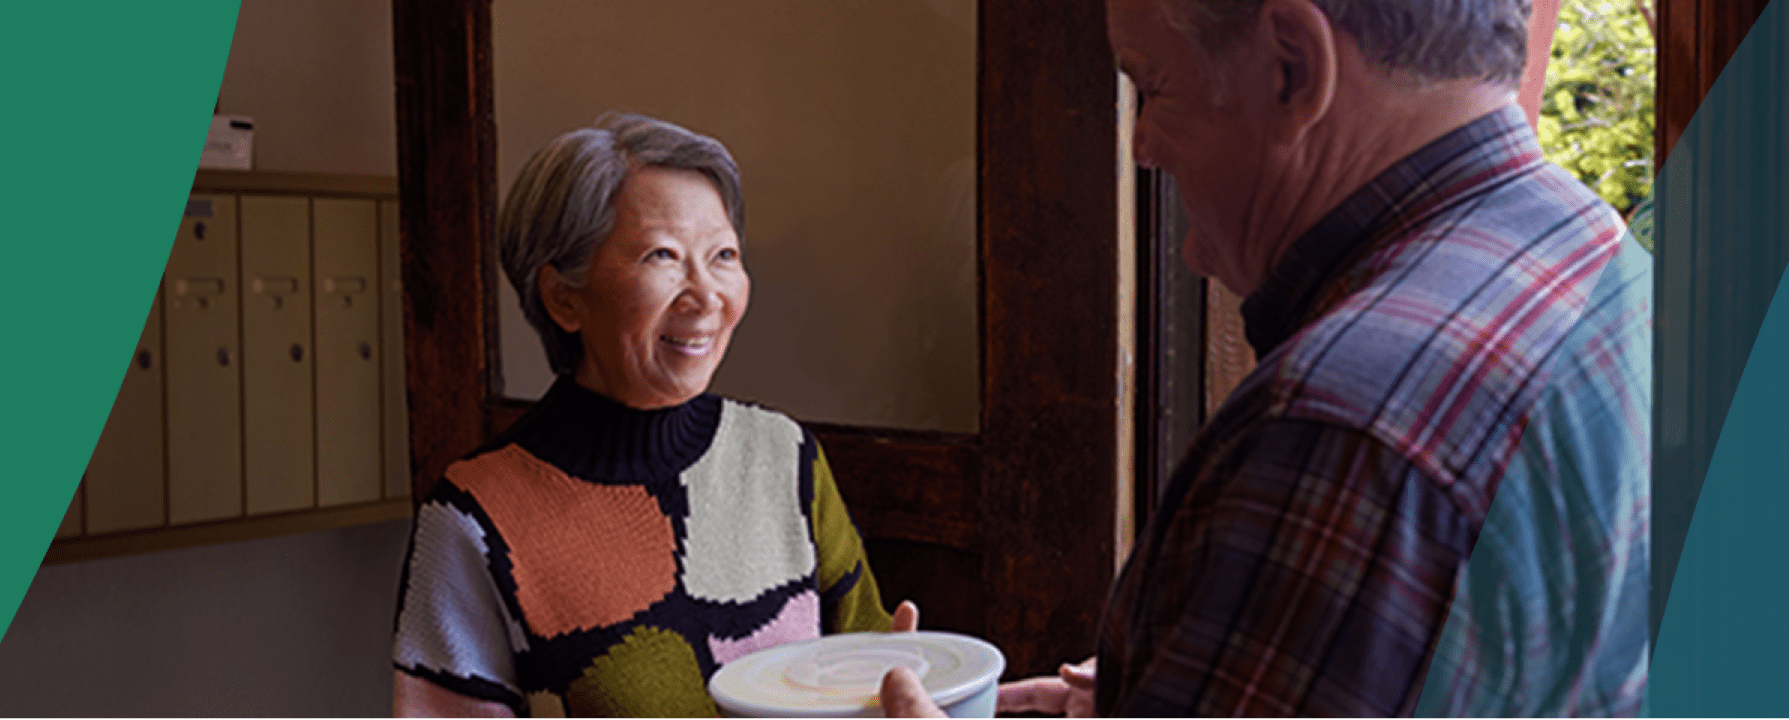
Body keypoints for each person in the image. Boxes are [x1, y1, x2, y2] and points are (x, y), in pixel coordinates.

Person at [906, 0, 1654, 717]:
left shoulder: (1335, 433)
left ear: (1293, 67)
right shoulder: (1597, 252)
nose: (1140, 146)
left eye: (1151, 85)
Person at [391, 112, 918, 719]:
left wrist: (922, 689)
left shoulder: (783, 458)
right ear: (564, 297)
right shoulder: (473, 518)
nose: (706, 298)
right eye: (662, 256)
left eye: (723, 254)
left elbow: (876, 675)